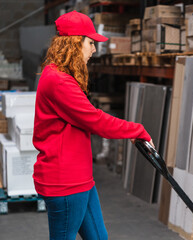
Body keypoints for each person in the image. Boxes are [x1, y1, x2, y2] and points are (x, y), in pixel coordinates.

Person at [32, 10, 153, 240]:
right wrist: (137, 130)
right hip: (65, 182)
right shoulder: (58, 82)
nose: (94, 49)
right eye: (90, 42)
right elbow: (96, 121)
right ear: (74, 44)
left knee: (98, 237)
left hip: (80, 179)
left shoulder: (60, 76)